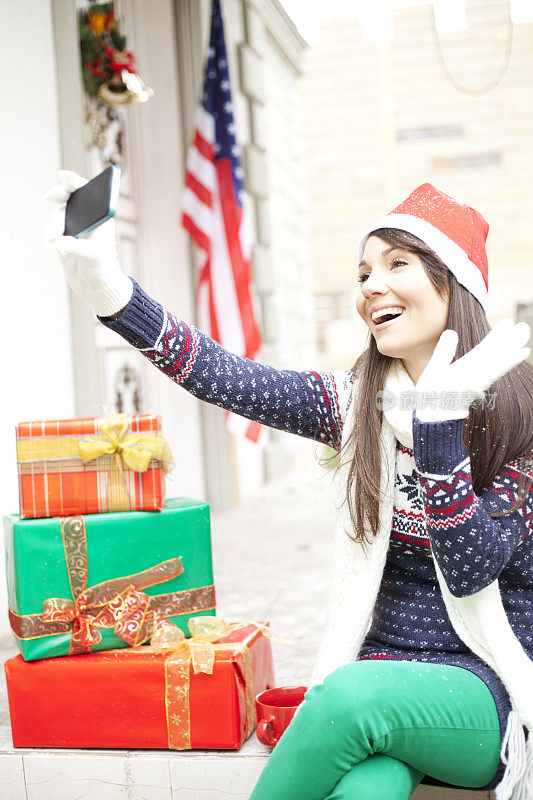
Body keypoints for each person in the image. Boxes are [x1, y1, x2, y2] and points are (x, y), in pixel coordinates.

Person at [45, 175, 532, 800]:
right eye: (362, 274)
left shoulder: (517, 421)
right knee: (364, 790)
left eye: (397, 263)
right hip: (383, 671)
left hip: (486, 690)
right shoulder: (359, 406)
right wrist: (109, 291)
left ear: (453, 282)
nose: (370, 286)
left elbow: (471, 567)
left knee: (349, 697)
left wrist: (438, 429)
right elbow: (226, 376)